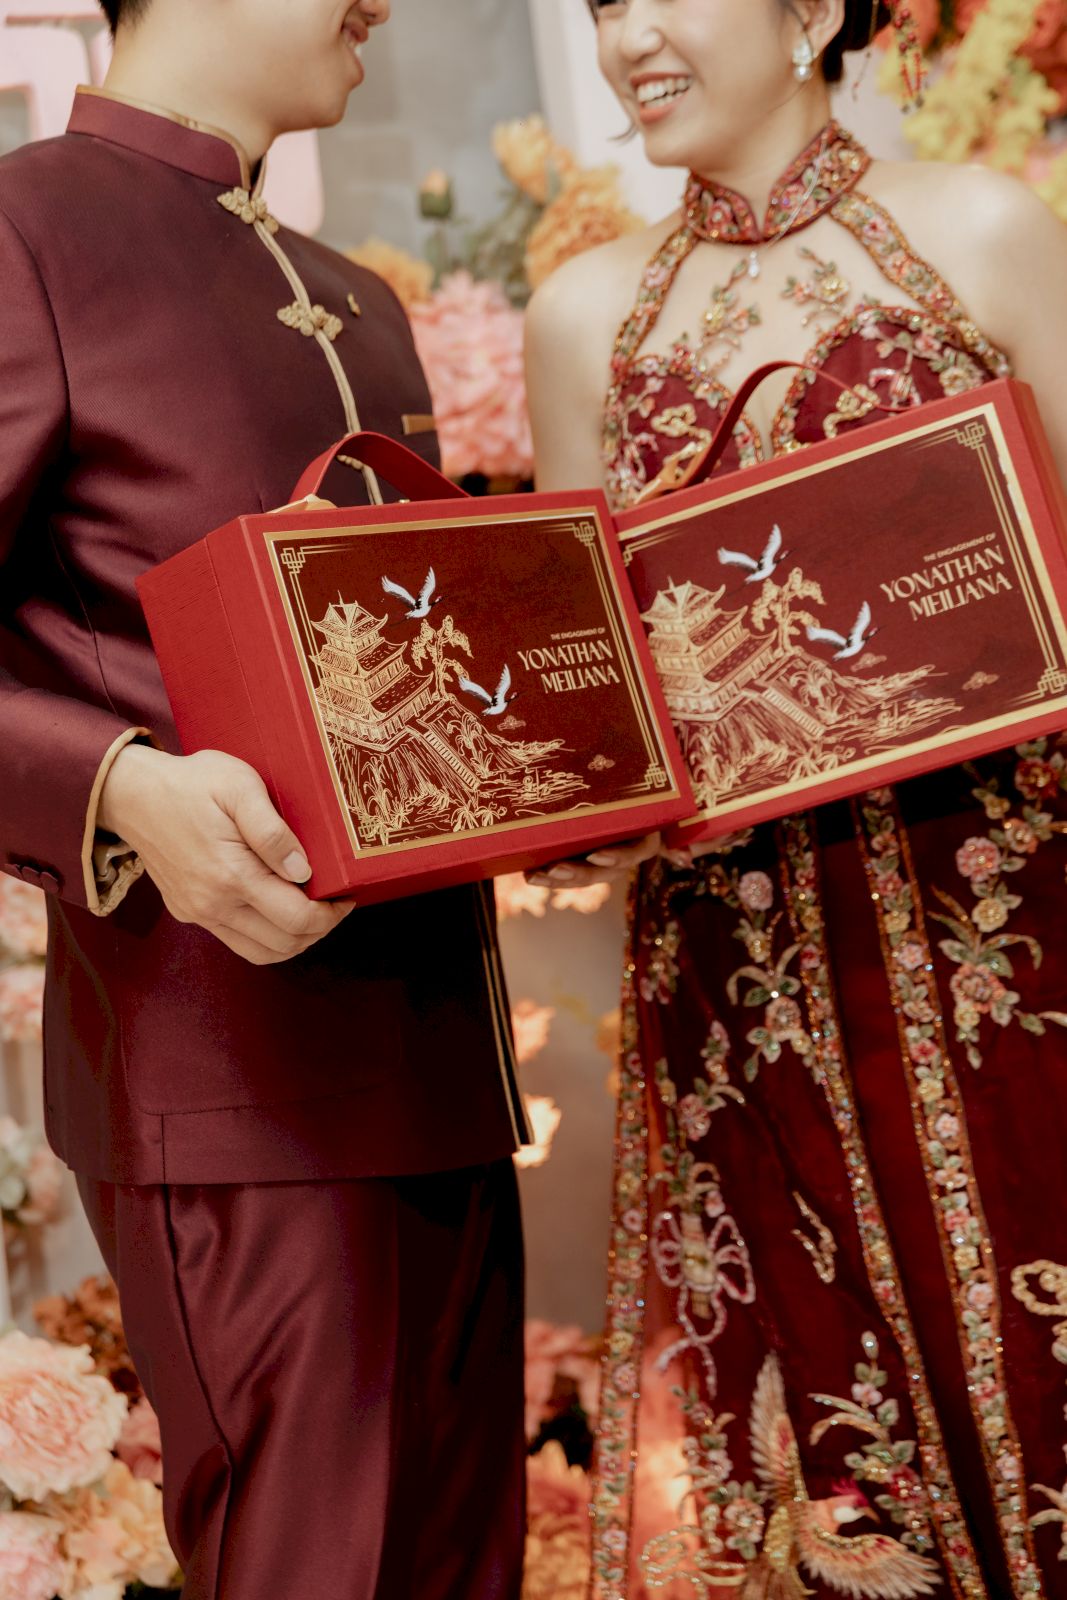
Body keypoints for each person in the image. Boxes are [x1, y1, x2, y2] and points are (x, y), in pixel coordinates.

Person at [525, 2, 1067, 1595]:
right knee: (836, 1455)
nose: (629, 38)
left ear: (813, 12)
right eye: (603, 4)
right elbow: (588, 690)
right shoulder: (584, 315)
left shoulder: (979, 231)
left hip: (1020, 926)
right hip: (746, 980)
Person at [0, 2, 528, 1595]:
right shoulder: (27, 232)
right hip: (231, 1078)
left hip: (445, 1065)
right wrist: (118, 787)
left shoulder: (357, 297)